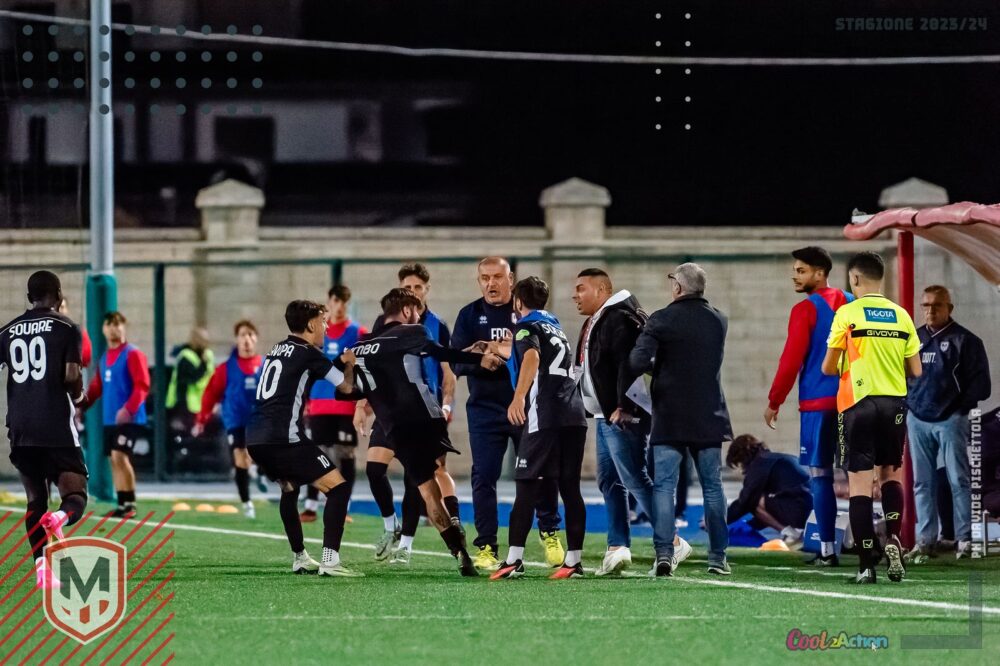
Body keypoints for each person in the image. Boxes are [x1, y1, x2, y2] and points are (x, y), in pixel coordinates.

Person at [344, 288, 503, 577]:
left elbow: (345, 391)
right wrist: (477, 359)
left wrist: (350, 375)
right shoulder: (412, 331)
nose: (419, 316)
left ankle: (446, 547)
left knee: (420, 487)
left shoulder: (361, 346)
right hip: (424, 419)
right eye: (416, 310)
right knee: (434, 478)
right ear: (407, 310)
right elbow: (439, 353)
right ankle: (457, 536)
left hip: (393, 427)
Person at [572, 267, 691, 575]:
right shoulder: (600, 318)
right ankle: (617, 546)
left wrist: (624, 406)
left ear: (602, 290)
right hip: (605, 413)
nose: (575, 295)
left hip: (623, 414)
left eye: (581, 288)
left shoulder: (620, 318)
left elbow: (631, 364)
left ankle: (672, 540)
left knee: (634, 477)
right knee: (609, 480)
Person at [451, 256, 564, 570]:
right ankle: (487, 546)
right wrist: (481, 361)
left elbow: (543, 354)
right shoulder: (469, 315)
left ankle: (549, 531)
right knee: (484, 476)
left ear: (510, 279)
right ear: (479, 281)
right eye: (485, 278)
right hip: (484, 411)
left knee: (540, 472)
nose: (491, 283)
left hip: (526, 407)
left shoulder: (527, 314)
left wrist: (501, 350)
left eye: (497, 277)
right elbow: (455, 361)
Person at [626, 263, 733, 577]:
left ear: (677, 287)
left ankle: (664, 554)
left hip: (670, 413)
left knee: (664, 487)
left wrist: (657, 363)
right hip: (708, 412)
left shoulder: (661, 319)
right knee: (713, 487)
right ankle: (718, 558)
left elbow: (637, 361)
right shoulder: (719, 319)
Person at [822, 251, 921, 584]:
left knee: (860, 486)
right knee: (891, 476)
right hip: (894, 404)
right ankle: (893, 536)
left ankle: (866, 564)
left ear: (854, 278)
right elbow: (916, 370)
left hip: (858, 405)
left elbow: (827, 366)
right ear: (882, 277)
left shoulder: (847, 313)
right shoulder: (901, 315)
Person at [245, 300, 360, 577]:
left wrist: (337, 361)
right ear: (310, 325)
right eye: (322, 321)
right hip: (283, 438)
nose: (327, 327)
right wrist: (350, 365)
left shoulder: (278, 348)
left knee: (290, 487)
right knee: (338, 488)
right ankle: (330, 560)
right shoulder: (309, 353)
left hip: (256, 438)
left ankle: (300, 557)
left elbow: (311, 372)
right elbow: (346, 387)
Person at [360, 263, 463, 565]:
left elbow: (448, 371)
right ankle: (390, 524)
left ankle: (406, 544)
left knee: (418, 479)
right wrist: (362, 406)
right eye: (408, 287)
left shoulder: (436, 324)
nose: (414, 292)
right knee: (374, 470)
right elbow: (372, 366)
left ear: (426, 290)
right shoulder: (385, 322)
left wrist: (447, 406)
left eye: (418, 287)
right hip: (391, 411)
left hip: (426, 411)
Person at [491, 277, 588, 580]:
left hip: (544, 415)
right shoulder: (555, 327)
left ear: (518, 301)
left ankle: (513, 560)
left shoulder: (525, 327)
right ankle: (574, 562)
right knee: (570, 488)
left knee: (526, 484)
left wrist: (518, 397)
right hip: (574, 414)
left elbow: (531, 357)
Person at [764, 246, 853, 566]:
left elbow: (791, 360)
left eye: (801, 271)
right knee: (860, 475)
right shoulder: (854, 303)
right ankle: (870, 547)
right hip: (855, 402)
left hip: (818, 405)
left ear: (820, 273)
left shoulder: (805, 309)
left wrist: (775, 401)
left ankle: (827, 550)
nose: (795, 276)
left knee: (820, 475)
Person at [0, 271, 88, 589]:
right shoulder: (67, 328)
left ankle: (42, 570)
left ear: (29, 298)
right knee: (75, 495)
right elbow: (71, 376)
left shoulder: (7, 331)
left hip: (21, 429)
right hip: (56, 427)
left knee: (35, 500)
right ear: (59, 295)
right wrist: (80, 397)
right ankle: (60, 518)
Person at [905, 285, 991, 560]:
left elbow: (982, 385)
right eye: (926, 305)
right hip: (917, 420)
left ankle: (964, 539)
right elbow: (901, 377)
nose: (930, 310)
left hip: (951, 420)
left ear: (949, 308)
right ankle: (925, 540)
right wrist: (909, 404)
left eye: (937, 305)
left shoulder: (966, 341)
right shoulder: (913, 339)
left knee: (958, 480)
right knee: (922, 483)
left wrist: (958, 409)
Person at [302, 285, 368, 523]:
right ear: (329, 302)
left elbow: (365, 366)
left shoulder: (358, 333)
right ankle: (310, 506)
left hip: (344, 404)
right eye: (336, 301)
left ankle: (343, 506)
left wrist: (364, 400)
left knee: (345, 455)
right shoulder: (317, 332)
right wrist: (304, 399)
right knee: (317, 454)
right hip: (319, 402)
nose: (339, 307)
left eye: (344, 302)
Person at [81, 311, 150, 519]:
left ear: (124, 327)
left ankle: (131, 503)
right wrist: (81, 405)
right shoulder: (105, 358)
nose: (114, 328)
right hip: (110, 419)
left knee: (120, 455)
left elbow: (142, 386)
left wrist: (128, 409)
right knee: (114, 458)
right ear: (104, 329)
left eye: (118, 324)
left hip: (130, 419)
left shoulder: (133, 354)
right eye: (110, 324)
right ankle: (122, 504)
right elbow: (96, 387)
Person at [194, 320, 263, 518]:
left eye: (250, 335)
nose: (247, 339)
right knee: (240, 456)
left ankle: (259, 471)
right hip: (236, 419)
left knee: (256, 454)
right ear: (237, 340)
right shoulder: (226, 368)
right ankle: (247, 503)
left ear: (256, 339)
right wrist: (202, 417)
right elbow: (211, 393)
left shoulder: (266, 365)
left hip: (260, 420)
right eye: (242, 335)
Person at [725, 434, 812, 544]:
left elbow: (745, 502)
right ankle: (794, 532)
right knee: (759, 498)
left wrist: (717, 520)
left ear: (742, 457)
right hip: (810, 509)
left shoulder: (760, 464)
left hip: (798, 510)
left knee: (755, 501)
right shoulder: (776, 459)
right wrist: (750, 524)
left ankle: (791, 534)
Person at [166, 327, 215, 437]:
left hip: (205, 405)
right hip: (189, 406)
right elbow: (191, 380)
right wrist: (203, 364)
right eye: (202, 340)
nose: (206, 343)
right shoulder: (186, 357)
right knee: (190, 437)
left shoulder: (208, 355)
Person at [58, 296, 91, 368]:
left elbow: (86, 357)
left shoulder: (77, 331)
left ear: (66, 310)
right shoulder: (48, 332)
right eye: (57, 307)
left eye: (62, 307)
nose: (59, 310)